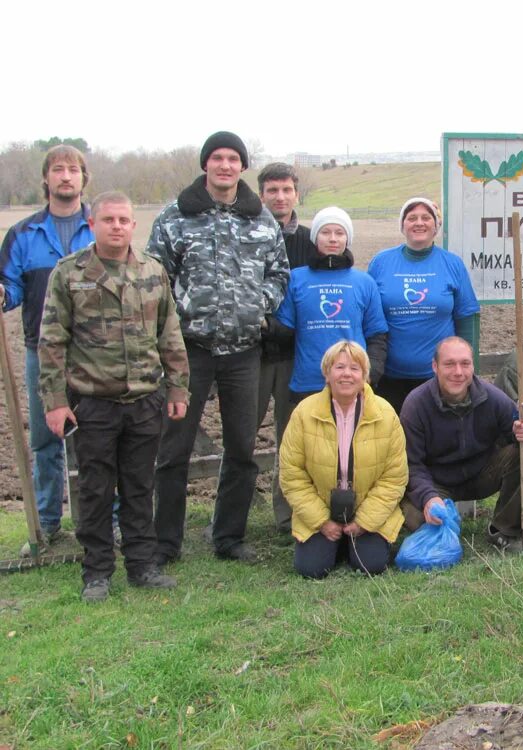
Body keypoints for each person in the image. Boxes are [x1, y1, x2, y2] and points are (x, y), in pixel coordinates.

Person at [36, 191, 189, 601]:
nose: (117, 226)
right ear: (93, 224)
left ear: (133, 225)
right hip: (94, 403)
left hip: (143, 400)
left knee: (140, 487)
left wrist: (177, 387)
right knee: (96, 489)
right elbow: (51, 342)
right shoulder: (69, 273)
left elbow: (169, 335)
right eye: (109, 220)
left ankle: (142, 565)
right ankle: (97, 572)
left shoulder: (152, 272)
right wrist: (54, 401)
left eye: (124, 220)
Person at [147, 131, 289, 564]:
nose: (225, 165)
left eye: (233, 159)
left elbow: (279, 274)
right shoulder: (175, 217)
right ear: (205, 164)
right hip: (189, 351)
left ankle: (229, 537)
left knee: (242, 448)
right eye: (217, 158)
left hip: (244, 351)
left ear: (242, 167)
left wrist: (255, 307)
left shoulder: (261, 219)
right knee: (174, 449)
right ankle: (165, 542)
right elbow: (156, 279)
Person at [0, 145, 94, 549]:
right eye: (58, 170)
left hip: (97, 354)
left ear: (83, 178)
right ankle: (49, 525)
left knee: (102, 440)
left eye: (73, 169)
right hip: (43, 353)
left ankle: (109, 520)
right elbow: (11, 288)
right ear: (46, 178)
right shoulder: (22, 235)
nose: (66, 176)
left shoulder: (100, 225)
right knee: (45, 440)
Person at [279, 341, 406, 578]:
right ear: (327, 374)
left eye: (355, 368)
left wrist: (365, 522)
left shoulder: (386, 414)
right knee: (311, 569)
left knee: (371, 566)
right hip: (321, 508)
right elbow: (292, 474)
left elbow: (394, 477)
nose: (347, 374)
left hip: (368, 509)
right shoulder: (303, 413)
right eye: (339, 367)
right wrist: (321, 522)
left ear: (365, 376)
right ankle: (333, 541)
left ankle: (354, 543)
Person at [399, 337, 523, 537]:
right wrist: (428, 497)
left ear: (472, 366)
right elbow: (412, 463)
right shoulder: (416, 405)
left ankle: (502, 529)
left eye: (465, 364)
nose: (458, 372)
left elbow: (516, 435)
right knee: (419, 521)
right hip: (437, 482)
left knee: (522, 454)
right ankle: (433, 513)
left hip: (481, 475)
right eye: (449, 364)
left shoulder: (493, 398)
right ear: (435, 366)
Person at [367, 197, 479, 413]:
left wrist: (469, 371)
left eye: (426, 218)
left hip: (439, 379)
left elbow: (466, 318)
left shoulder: (452, 263)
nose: (419, 223)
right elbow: (369, 317)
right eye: (412, 218)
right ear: (402, 226)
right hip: (389, 377)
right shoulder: (381, 262)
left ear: (436, 227)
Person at [256, 162, 318, 535]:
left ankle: (287, 515)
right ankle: (230, 516)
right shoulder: (246, 234)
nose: (280, 197)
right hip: (254, 353)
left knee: (292, 439)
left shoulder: (312, 241)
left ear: (296, 193)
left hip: (297, 356)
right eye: (272, 190)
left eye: (286, 190)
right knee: (242, 435)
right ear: (261, 194)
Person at [273, 206, 388, 399]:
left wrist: (371, 373)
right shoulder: (296, 279)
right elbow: (284, 330)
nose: (333, 238)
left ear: (347, 239)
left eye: (339, 233)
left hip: (352, 382)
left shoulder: (364, 282)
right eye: (325, 232)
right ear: (315, 237)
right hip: (308, 384)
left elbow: (377, 335)